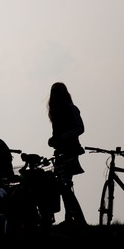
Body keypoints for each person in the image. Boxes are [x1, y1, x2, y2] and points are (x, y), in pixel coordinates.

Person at [47, 82, 87, 228]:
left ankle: (75, 219)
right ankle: (71, 218)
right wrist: (53, 140)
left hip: (70, 151)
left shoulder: (70, 108)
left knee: (64, 184)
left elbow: (80, 128)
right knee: (63, 185)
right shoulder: (56, 111)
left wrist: (63, 138)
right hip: (61, 152)